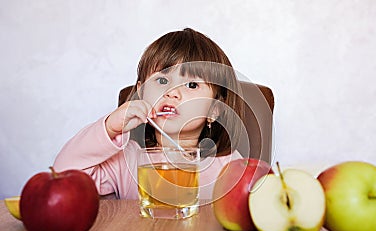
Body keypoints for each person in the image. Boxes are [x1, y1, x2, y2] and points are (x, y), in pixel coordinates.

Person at [53, 28, 245, 200]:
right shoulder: (125, 160)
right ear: (141, 92)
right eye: (162, 81)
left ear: (214, 109)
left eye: (191, 85)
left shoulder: (228, 166)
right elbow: (63, 175)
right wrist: (110, 127)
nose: (172, 92)